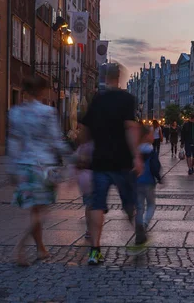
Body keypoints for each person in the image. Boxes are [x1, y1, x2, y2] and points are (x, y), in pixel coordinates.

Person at [80, 62, 143, 265]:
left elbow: (85, 130)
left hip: (100, 161)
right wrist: (136, 156)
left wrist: (82, 152)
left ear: (105, 78)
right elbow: (130, 128)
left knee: (97, 205)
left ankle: (95, 250)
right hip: (122, 161)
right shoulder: (127, 99)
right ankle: (139, 234)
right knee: (130, 203)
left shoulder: (97, 99)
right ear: (119, 78)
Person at [7, 76, 71, 266]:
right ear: (42, 91)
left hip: (24, 167)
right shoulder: (47, 112)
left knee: (34, 210)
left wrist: (11, 168)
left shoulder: (16, 112)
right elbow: (56, 141)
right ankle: (20, 245)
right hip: (43, 167)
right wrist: (73, 157)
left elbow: (13, 141)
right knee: (42, 211)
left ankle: (41, 248)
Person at [129, 127, 160, 255]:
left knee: (139, 207)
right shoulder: (151, 150)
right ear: (147, 136)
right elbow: (155, 166)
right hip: (148, 181)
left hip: (137, 182)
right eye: (151, 135)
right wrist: (159, 177)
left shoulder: (135, 150)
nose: (153, 137)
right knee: (151, 205)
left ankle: (139, 226)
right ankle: (145, 224)